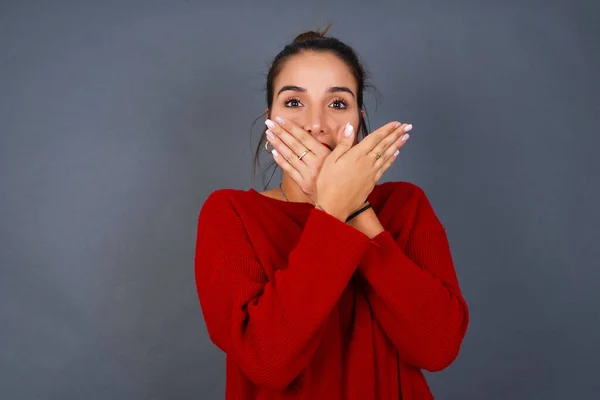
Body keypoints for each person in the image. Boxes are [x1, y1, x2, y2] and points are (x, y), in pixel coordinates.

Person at [194, 26, 469, 400]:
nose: (317, 123)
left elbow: (437, 348)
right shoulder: (230, 213)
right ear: (268, 118)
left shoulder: (405, 205)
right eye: (293, 102)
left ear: (360, 117)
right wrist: (331, 212)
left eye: (337, 103)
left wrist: (356, 209)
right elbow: (266, 360)